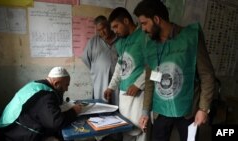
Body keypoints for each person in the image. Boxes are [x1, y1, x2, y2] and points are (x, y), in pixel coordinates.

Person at [134, 1, 215, 141]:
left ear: (156, 19)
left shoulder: (190, 37)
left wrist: (203, 109)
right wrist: (145, 111)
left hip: (188, 111)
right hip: (161, 111)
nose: (143, 29)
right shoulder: (151, 45)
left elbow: (207, 75)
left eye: (144, 23)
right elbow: (149, 80)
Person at [0, 67, 82, 141]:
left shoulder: (36, 85)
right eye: (66, 85)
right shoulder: (45, 96)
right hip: (15, 134)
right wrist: (74, 111)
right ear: (56, 83)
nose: (66, 89)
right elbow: (56, 122)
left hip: (12, 128)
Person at [104, 7, 151, 141]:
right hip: (124, 96)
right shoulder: (121, 42)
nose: (114, 31)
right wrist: (111, 87)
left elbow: (153, 66)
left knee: (142, 131)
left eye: (116, 26)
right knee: (126, 131)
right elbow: (120, 67)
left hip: (140, 95)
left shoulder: (144, 37)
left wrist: (138, 84)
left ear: (126, 21)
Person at [81, 15, 119, 105]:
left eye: (104, 28)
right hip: (100, 80)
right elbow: (86, 59)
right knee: (102, 106)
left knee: (118, 104)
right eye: (99, 30)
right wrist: (98, 69)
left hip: (117, 81)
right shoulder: (93, 42)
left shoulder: (120, 39)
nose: (102, 32)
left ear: (109, 25)